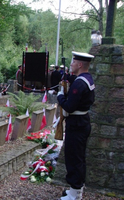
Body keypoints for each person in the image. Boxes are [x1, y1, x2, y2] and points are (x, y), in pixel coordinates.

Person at [57, 51, 95, 200]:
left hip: (76, 124)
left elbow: (69, 107)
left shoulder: (79, 83)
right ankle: (77, 190)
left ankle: (74, 194)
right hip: (82, 122)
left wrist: (60, 96)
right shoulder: (87, 78)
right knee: (78, 157)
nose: (71, 65)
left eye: (73, 62)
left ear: (79, 65)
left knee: (73, 158)